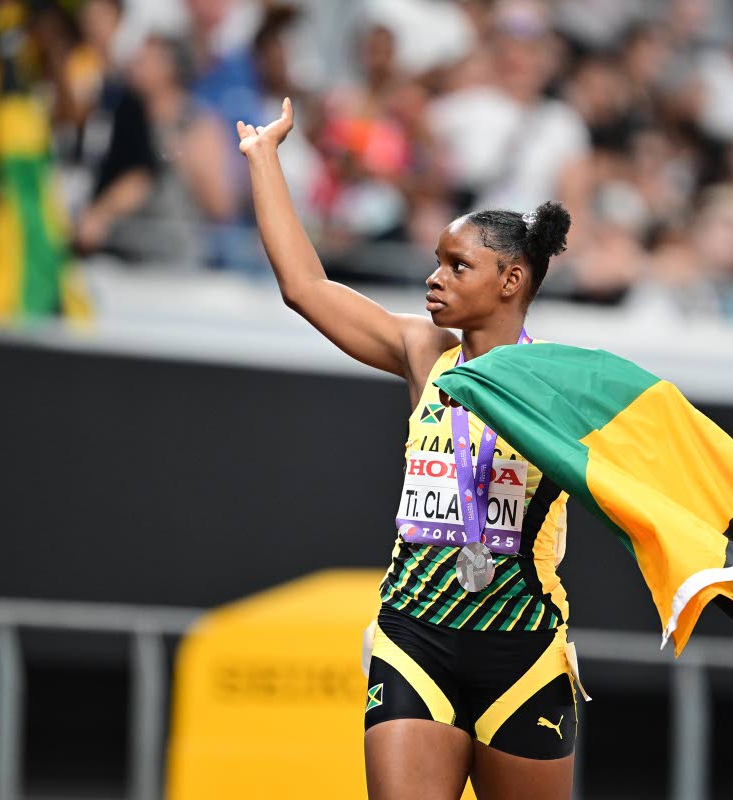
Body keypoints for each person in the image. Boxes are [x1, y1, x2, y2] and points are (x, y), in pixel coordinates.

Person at [237, 99, 582, 800]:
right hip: (414, 633)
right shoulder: (425, 355)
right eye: (436, 263)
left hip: (523, 645)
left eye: (457, 267)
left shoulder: (563, 389)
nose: (435, 278)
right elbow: (305, 288)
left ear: (510, 282)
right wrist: (265, 160)